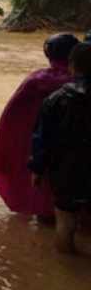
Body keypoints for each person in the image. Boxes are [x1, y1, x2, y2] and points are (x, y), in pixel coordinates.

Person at [0, 33, 80, 220]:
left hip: (42, 149)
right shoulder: (80, 82)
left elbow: (11, 116)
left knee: (47, 203)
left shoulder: (37, 81)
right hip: (76, 152)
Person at [28, 42, 91, 254]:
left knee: (65, 225)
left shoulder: (55, 100)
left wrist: (37, 170)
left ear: (72, 67)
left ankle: (64, 272)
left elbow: (42, 140)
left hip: (67, 171)